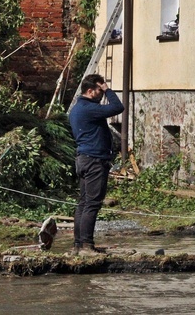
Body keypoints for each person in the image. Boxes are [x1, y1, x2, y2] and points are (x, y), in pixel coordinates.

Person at [69, 74, 124, 256]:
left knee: (84, 203)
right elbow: (118, 107)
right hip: (94, 161)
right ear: (90, 91)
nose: (102, 94)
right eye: (100, 90)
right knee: (92, 204)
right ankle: (86, 246)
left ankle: (78, 245)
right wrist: (109, 90)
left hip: (84, 158)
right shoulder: (88, 108)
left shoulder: (78, 108)